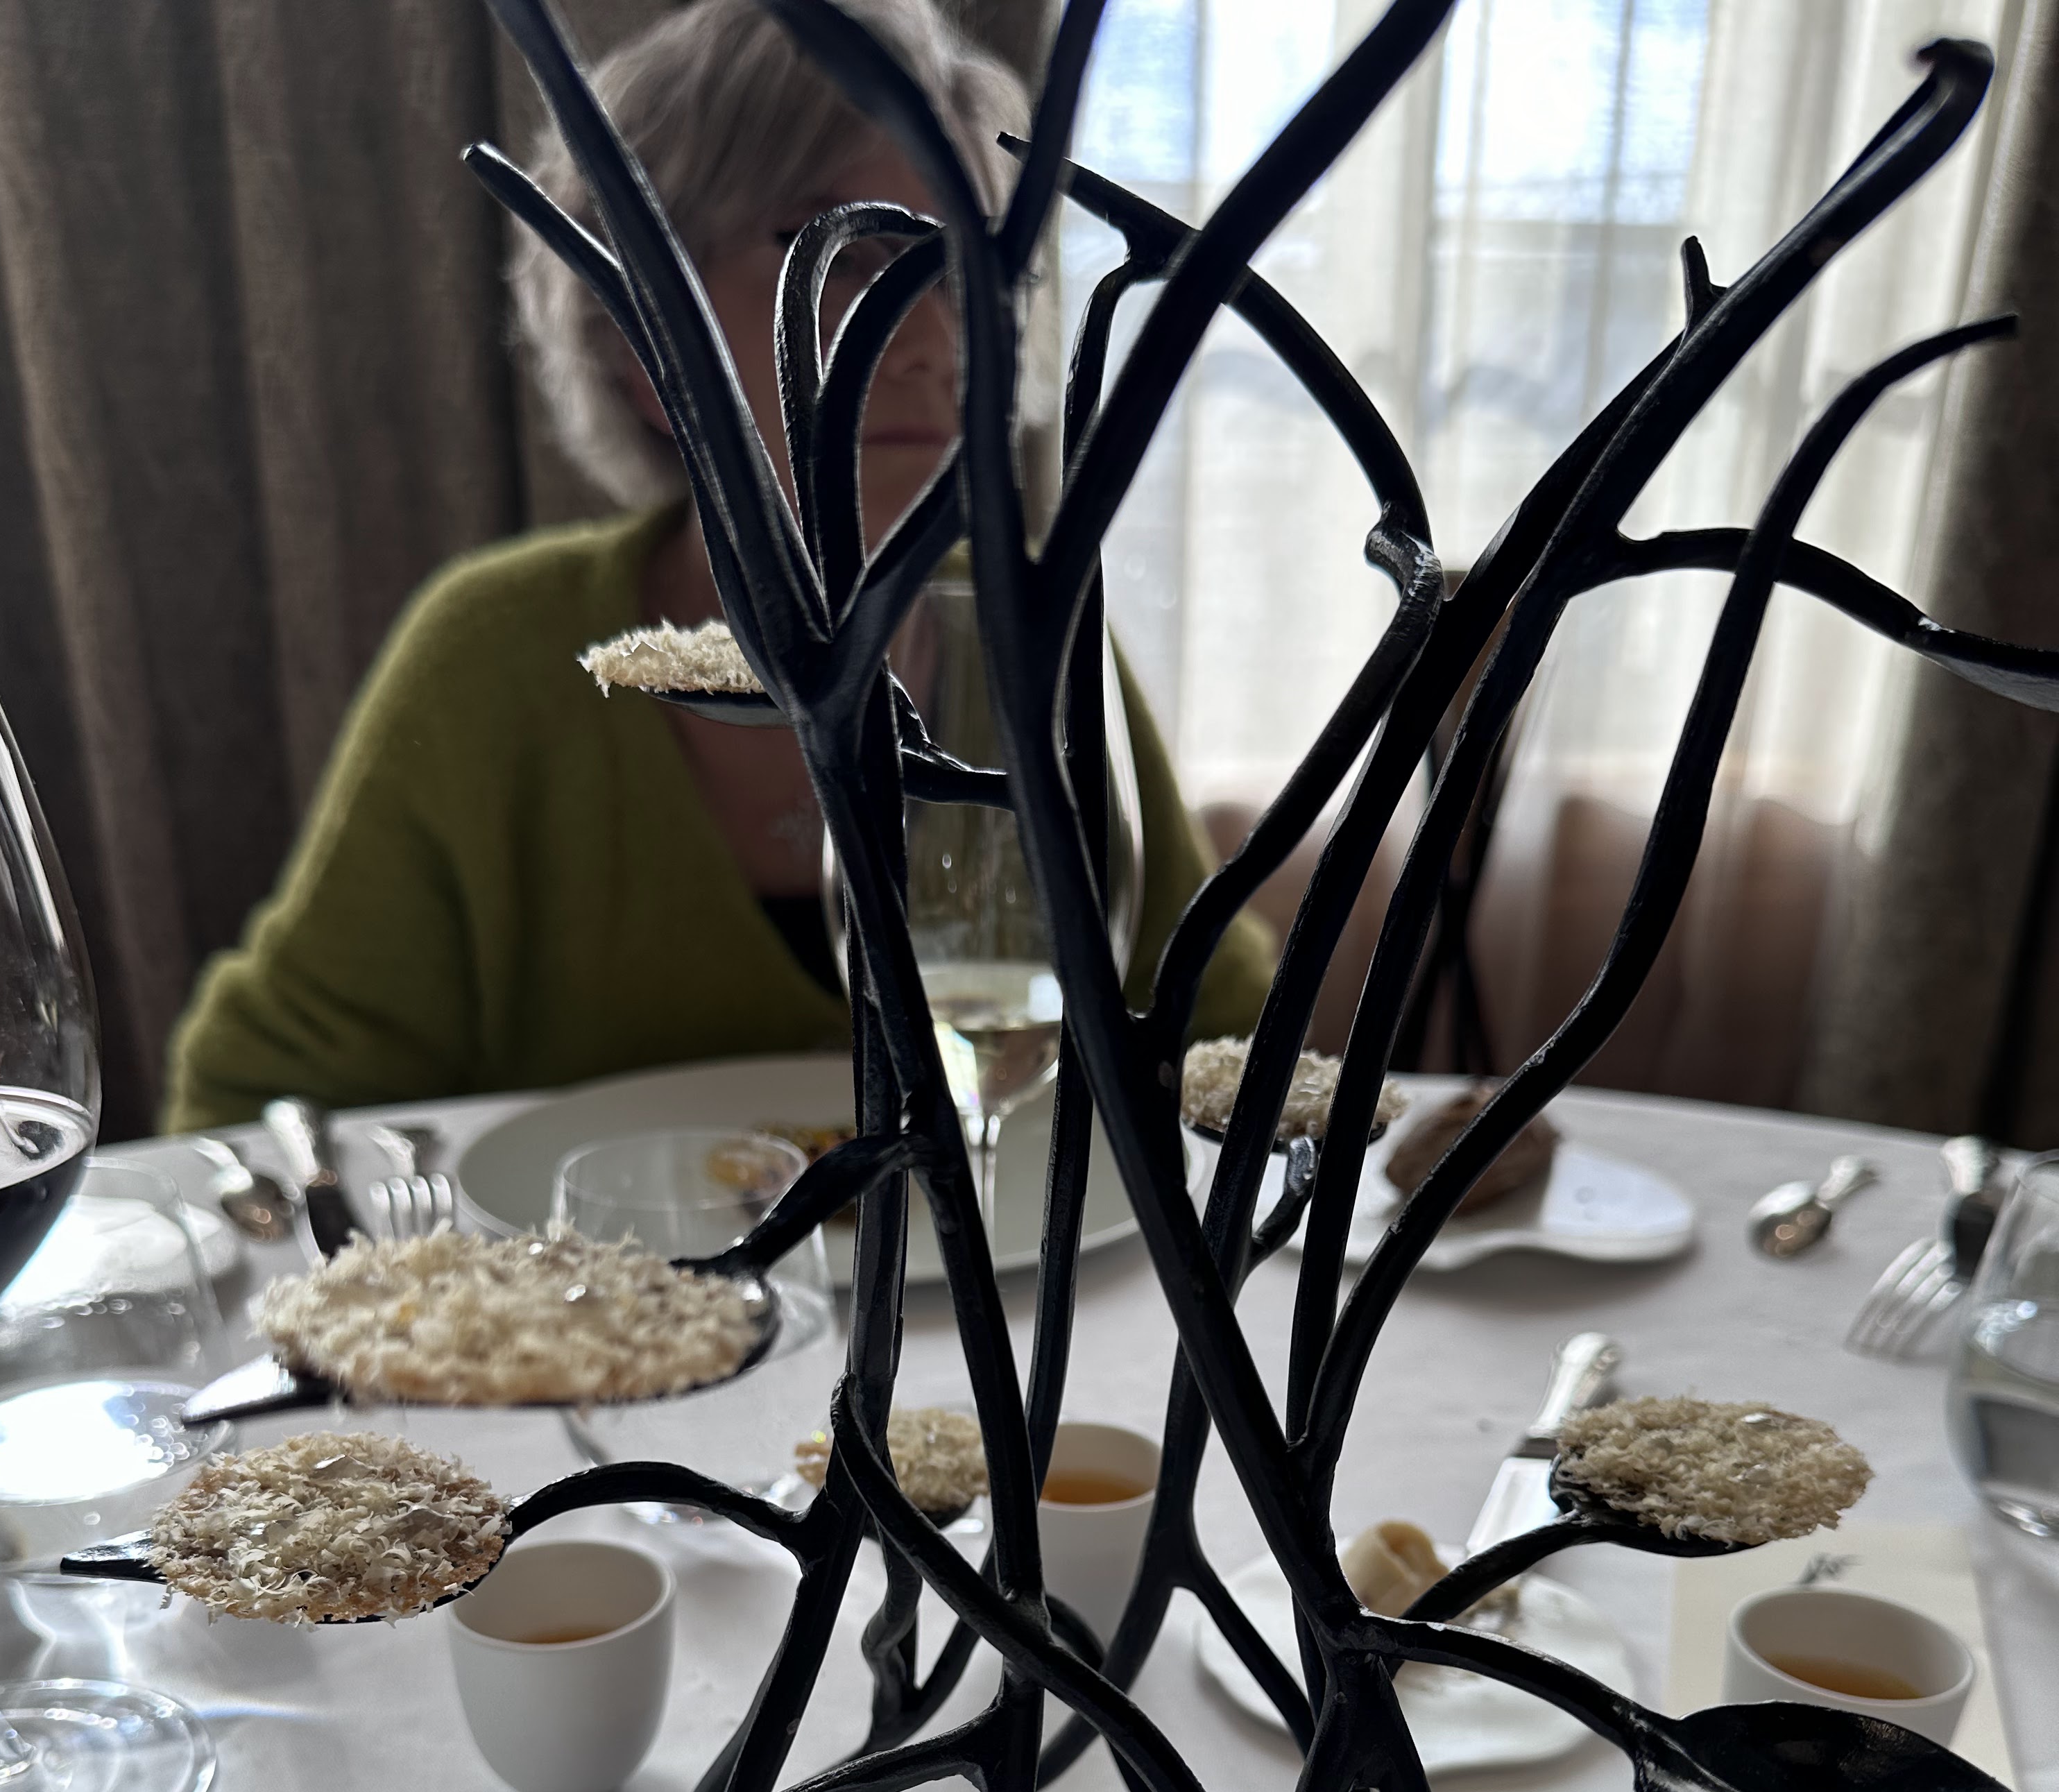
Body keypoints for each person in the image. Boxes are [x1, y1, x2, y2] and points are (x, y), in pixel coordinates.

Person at [161, 0, 1275, 1133]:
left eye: (972, 275)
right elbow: (261, 1107)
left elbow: (1224, 1047)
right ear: (639, 339)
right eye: (844, 260)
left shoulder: (1038, 633)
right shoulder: (493, 662)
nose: (939, 342)